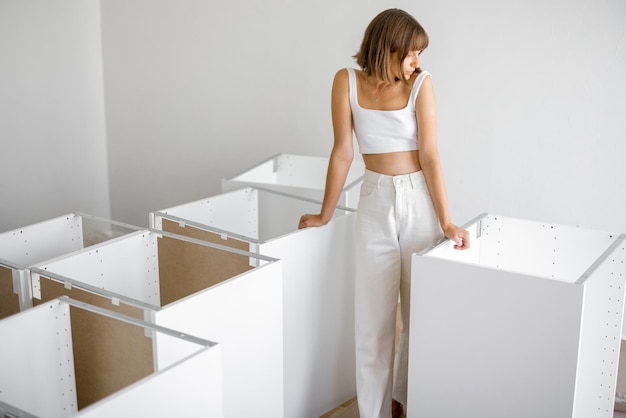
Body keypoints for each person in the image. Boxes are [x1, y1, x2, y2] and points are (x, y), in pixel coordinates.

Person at [298, 8, 470, 418]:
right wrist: (324, 214)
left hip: (418, 201)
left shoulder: (421, 84)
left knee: (417, 315)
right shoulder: (346, 82)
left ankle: (406, 405)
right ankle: (371, 412)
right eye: (411, 53)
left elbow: (429, 155)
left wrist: (446, 221)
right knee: (371, 323)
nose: (417, 62)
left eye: (419, 54)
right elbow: (343, 152)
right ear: (386, 47)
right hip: (373, 199)